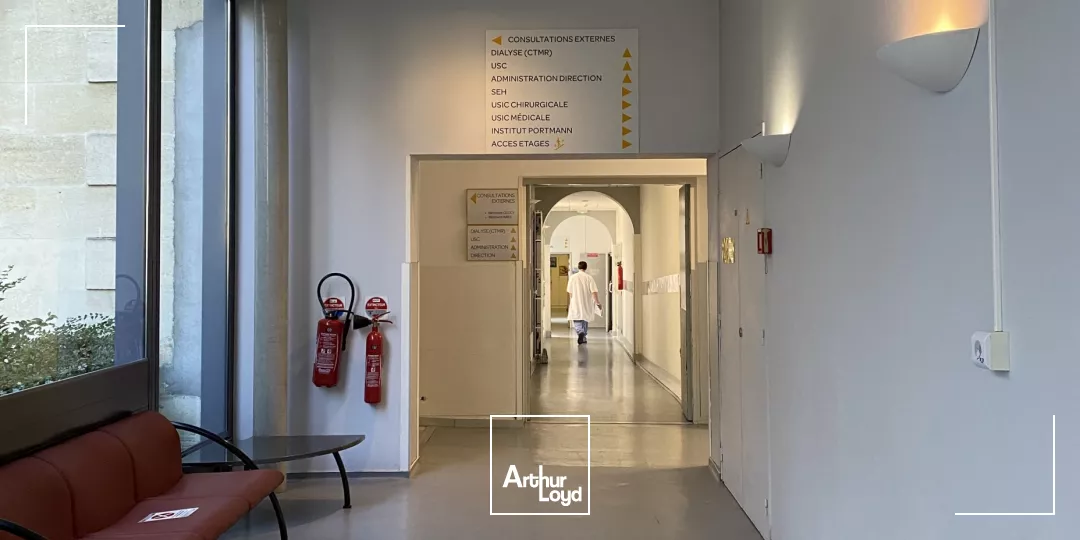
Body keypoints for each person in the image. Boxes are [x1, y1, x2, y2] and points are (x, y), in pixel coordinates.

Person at [566, 260, 600, 345]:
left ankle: (580, 332)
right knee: (585, 319)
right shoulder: (589, 278)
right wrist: (597, 302)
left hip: (575, 301)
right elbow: (594, 291)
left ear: (578, 267)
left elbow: (569, 291)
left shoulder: (572, 277)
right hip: (586, 301)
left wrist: (572, 299)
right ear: (586, 267)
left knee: (577, 318)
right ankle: (584, 336)